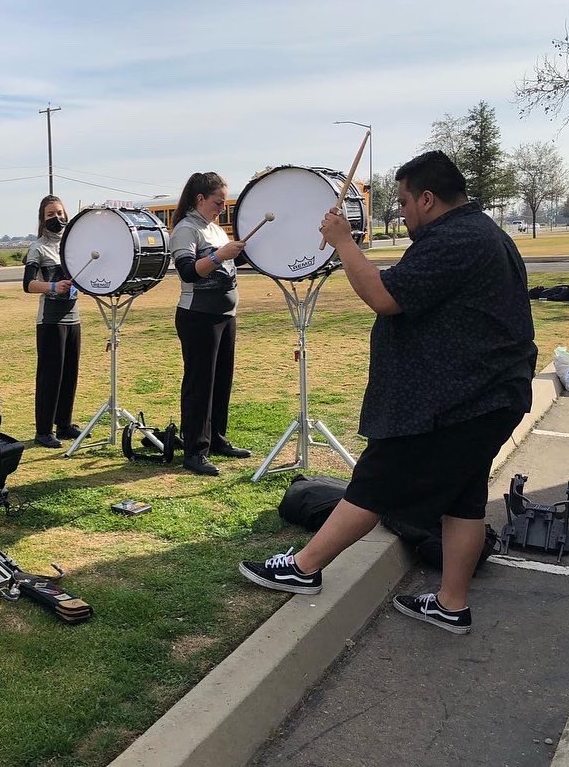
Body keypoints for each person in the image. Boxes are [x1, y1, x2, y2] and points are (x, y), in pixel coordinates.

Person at [240, 151, 537, 635]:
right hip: (488, 395)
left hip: (458, 400)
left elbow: (384, 296)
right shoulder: (480, 232)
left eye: (403, 201)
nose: (401, 211)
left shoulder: (456, 238)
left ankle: (304, 567)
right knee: (461, 499)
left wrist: (342, 241)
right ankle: (451, 604)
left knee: (377, 480)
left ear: (427, 197)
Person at [169, 172, 251, 476]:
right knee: (200, 382)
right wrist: (219, 256)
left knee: (221, 379)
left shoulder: (216, 230)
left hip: (224, 315)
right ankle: (194, 450)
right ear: (199, 199)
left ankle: (216, 438)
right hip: (198, 316)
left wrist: (237, 255)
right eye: (218, 202)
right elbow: (189, 272)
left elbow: (226, 263)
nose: (222, 207)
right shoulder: (185, 230)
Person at [23, 195, 82, 449]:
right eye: (50, 215)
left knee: (70, 372)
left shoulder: (74, 246)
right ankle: (44, 429)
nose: (57, 218)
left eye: (60, 213)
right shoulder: (38, 248)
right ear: (42, 219)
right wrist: (53, 286)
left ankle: (64, 424)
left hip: (74, 318)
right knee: (50, 375)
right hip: (50, 320)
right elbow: (28, 284)